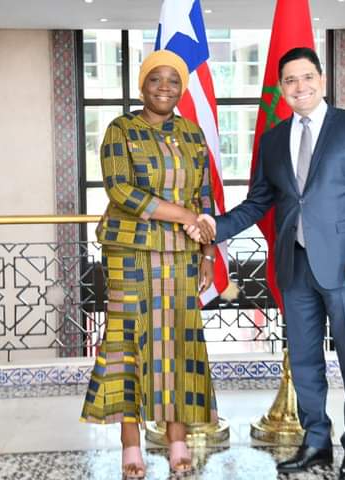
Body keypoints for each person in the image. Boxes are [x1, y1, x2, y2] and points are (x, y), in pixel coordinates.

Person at [187, 47, 345, 479]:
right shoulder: (274, 139)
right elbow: (259, 201)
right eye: (291, 80)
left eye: (307, 77)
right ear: (281, 88)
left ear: (322, 79)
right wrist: (216, 227)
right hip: (294, 268)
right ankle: (316, 442)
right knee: (304, 360)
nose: (300, 86)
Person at [80, 49, 218, 479]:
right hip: (129, 251)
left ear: (182, 88)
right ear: (142, 85)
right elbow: (121, 190)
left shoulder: (192, 133)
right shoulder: (121, 129)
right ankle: (130, 444)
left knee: (177, 343)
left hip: (181, 253)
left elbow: (205, 195)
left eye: (173, 81)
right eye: (155, 79)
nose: (164, 88)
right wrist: (184, 215)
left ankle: (177, 440)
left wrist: (208, 252)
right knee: (128, 342)